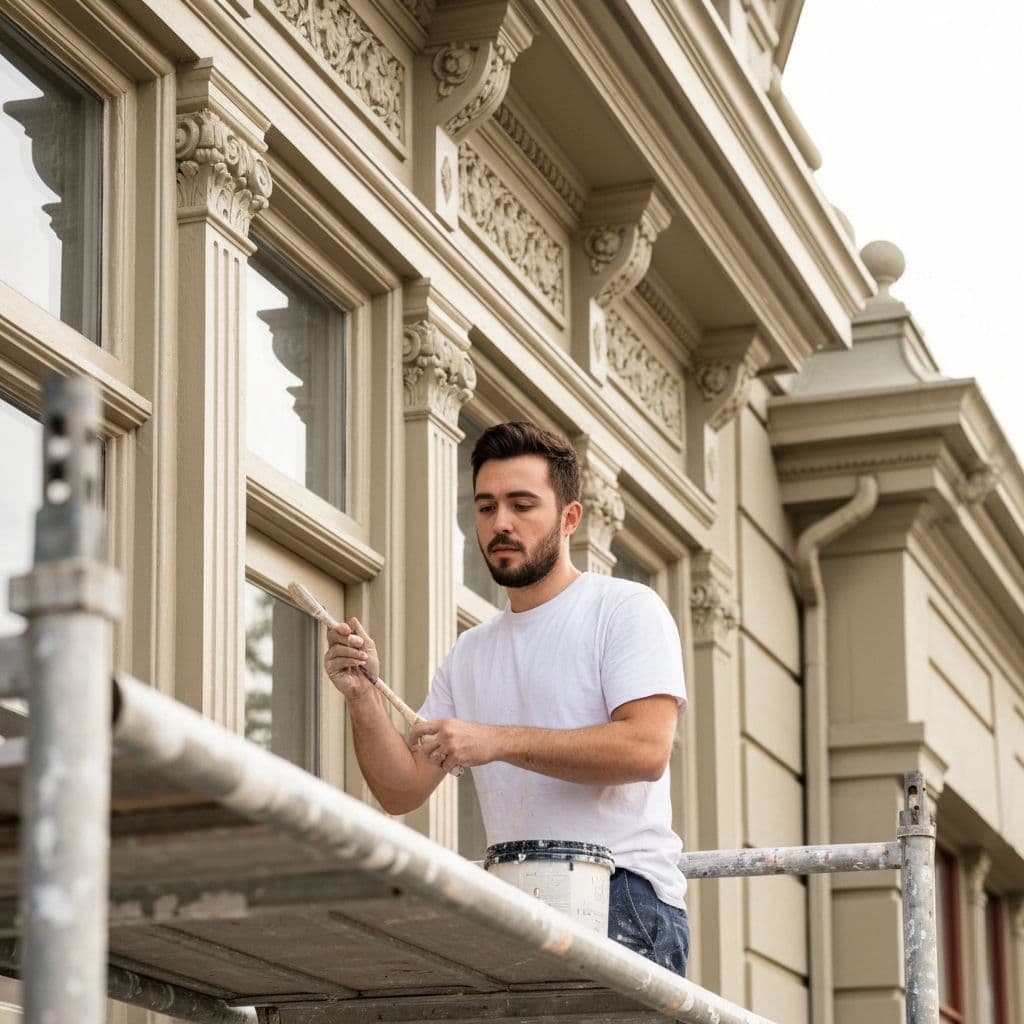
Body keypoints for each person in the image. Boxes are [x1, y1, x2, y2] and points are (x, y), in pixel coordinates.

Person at [324, 421, 689, 976]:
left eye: (522, 505)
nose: (501, 524)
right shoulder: (471, 652)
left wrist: (493, 740)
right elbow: (401, 789)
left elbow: (645, 750)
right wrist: (362, 696)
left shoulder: (625, 609)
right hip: (515, 908)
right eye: (486, 506)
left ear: (570, 518)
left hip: (624, 900)